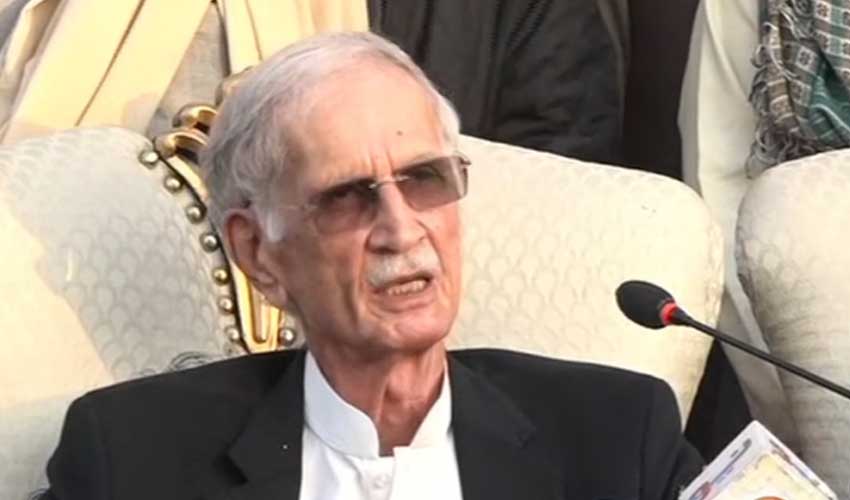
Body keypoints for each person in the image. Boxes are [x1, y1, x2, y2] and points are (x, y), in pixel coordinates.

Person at [43, 32, 702, 500]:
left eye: (425, 178)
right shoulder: (132, 457)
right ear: (258, 252)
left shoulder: (616, 433)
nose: (401, 229)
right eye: (347, 197)